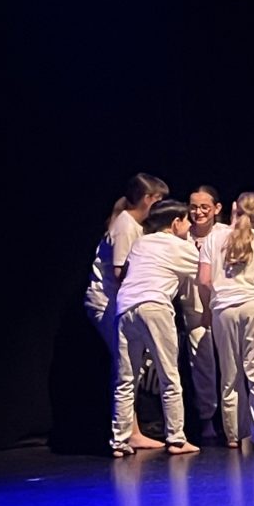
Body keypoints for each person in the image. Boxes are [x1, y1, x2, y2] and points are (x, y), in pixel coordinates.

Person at [110, 198, 203, 458]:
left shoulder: (141, 242)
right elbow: (205, 273)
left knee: (126, 378)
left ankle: (119, 441)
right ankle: (176, 438)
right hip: (154, 306)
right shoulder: (180, 246)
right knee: (169, 375)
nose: (190, 226)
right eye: (187, 221)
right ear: (176, 223)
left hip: (125, 308)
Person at [87, 173, 169, 451]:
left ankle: (131, 429)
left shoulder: (133, 225)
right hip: (108, 303)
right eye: (159, 200)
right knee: (126, 365)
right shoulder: (125, 225)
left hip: (120, 302)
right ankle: (127, 432)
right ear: (148, 199)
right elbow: (119, 271)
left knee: (129, 364)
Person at [201, 193, 254, 451]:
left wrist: (209, 308)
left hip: (223, 309)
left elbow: (204, 281)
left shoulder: (213, 239)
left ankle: (234, 435)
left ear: (234, 208)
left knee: (230, 375)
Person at [183, 186, 224, 443]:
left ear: (217, 209)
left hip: (224, 306)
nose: (198, 212)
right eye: (194, 207)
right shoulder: (181, 235)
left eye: (204, 207)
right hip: (195, 310)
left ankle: (238, 422)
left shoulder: (226, 234)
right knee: (203, 367)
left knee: (233, 365)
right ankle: (207, 420)